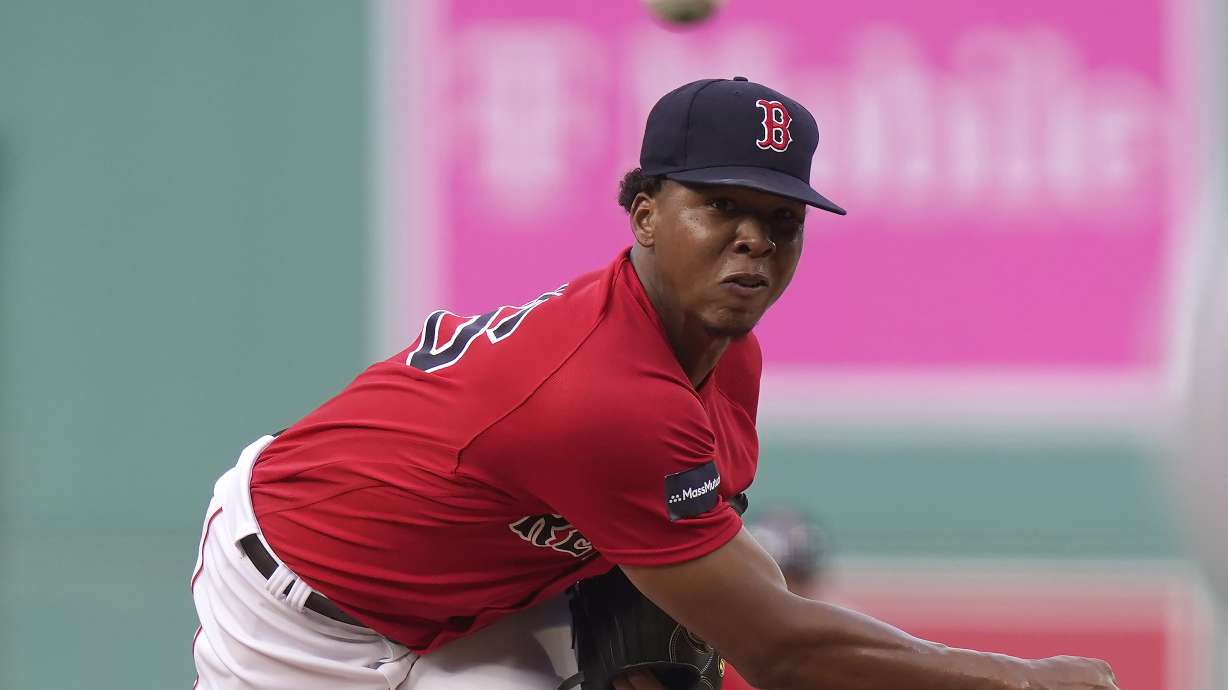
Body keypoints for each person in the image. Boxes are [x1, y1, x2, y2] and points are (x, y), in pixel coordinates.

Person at [189, 77, 1122, 690]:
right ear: (642, 211)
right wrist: (1024, 681)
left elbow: (725, 588)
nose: (754, 239)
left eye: (781, 217)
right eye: (720, 206)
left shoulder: (725, 355)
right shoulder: (605, 395)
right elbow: (779, 650)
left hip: (478, 590)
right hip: (296, 609)